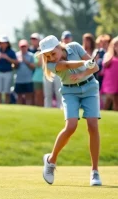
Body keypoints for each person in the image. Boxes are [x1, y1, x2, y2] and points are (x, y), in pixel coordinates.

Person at [39, 35, 102, 186]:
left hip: (90, 89)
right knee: (71, 126)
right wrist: (84, 63)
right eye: (47, 56)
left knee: (93, 125)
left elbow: (96, 67)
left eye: (53, 54)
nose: (51, 58)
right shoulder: (52, 65)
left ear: (59, 47)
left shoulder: (74, 46)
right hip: (69, 92)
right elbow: (67, 65)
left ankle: (95, 171)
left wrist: (83, 73)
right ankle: (51, 160)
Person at [0, 35, 17, 104]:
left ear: (7, 43)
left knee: (7, 91)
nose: (3, 44)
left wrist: (7, 58)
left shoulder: (11, 52)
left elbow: (16, 62)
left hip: (8, 72)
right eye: (1, 43)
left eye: (4, 42)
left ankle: (6, 106)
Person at [15, 39, 35, 105]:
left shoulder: (31, 55)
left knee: (28, 96)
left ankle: (28, 110)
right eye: (21, 46)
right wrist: (16, 63)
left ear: (27, 46)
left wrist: (25, 61)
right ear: (19, 47)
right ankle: (18, 110)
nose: (23, 48)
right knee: (19, 96)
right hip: (19, 80)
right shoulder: (16, 55)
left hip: (28, 79)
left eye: (24, 46)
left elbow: (33, 67)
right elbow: (14, 66)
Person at [100, 36, 118, 111]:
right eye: (116, 45)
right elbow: (105, 64)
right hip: (110, 81)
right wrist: (112, 55)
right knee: (107, 101)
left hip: (117, 81)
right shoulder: (108, 54)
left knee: (116, 101)